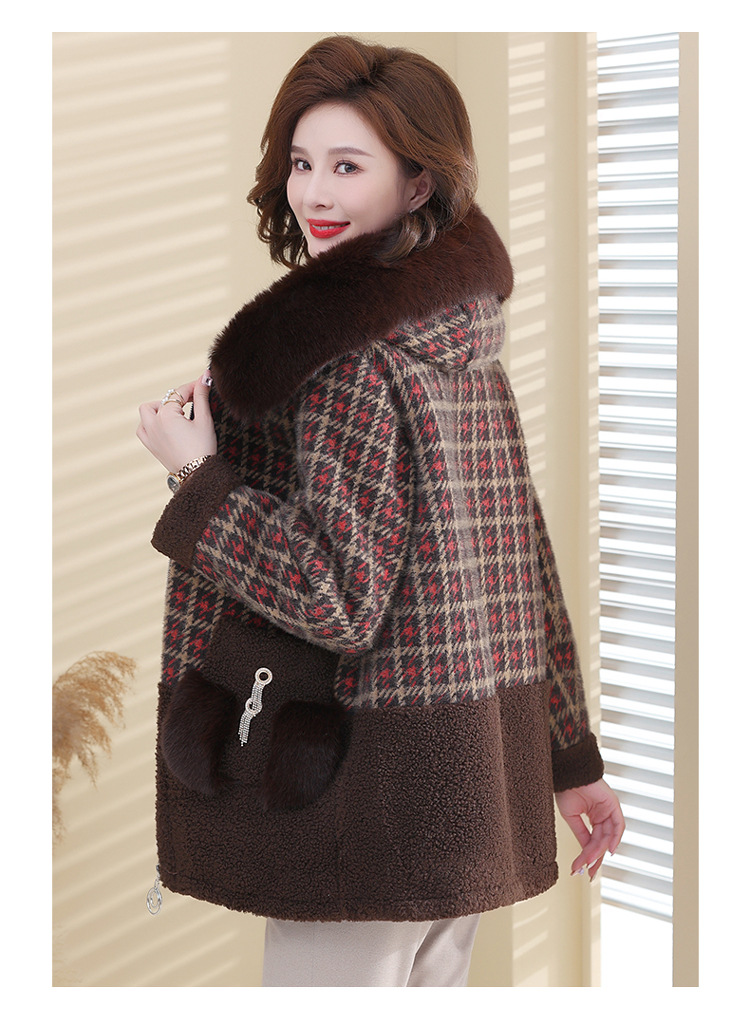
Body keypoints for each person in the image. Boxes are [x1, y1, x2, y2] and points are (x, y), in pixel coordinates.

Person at [137, 34, 625, 988]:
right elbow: (525, 569)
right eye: (301, 163)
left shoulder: (351, 364)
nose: (314, 194)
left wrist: (196, 476)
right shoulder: (461, 346)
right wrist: (569, 758)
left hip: (360, 799)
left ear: (416, 184)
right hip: (464, 787)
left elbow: (333, 598)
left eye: (348, 166)